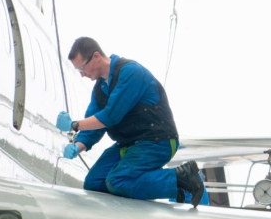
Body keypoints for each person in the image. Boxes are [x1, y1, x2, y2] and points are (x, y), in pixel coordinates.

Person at [56, 37, 206, 207]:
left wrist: (74, 125)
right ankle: (172, 189)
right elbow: (93, 127)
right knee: (94, 183)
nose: (82, 74)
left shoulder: (131, 72)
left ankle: (182, 178)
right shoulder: (100, 89)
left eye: (82, 67)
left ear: (96, 56)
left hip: (158, 141)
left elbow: (110, 116)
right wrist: (79, 146)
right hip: (129, 145)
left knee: (117, 180)